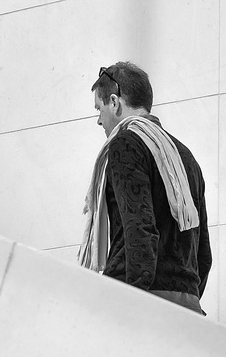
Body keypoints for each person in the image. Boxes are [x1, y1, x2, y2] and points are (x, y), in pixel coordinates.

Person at [78, 62, 211, 314]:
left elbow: (140, 228)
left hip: (140, 302)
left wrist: (135, 304)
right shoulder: (186, 157)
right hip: (187, 304)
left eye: (99, 108)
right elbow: (203, 252)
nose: (98, 120)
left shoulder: (127, 143)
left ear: (114, 102)